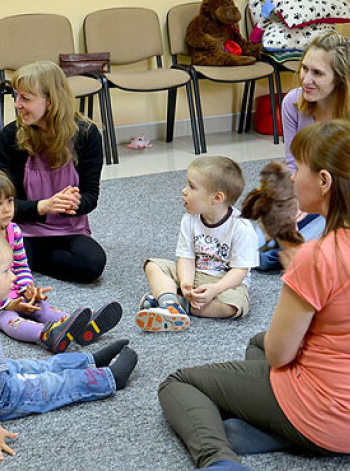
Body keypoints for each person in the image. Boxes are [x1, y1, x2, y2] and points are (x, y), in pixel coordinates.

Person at [158, 121, 350, 470]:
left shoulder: (318, 256)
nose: (292, 178)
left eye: (299, 168)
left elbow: (280, 356)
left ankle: (219, 460)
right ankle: (276, 429)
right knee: (257, 343)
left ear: (324, 181)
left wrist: (298, 272)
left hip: (328, 414)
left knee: (178, 383)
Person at [0, 227, 137, 461]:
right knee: (53, 384)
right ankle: (109, 378)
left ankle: (90, 360)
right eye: (5, 271)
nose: (12, 277)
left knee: (31, 366)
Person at [0, 165, 122, 353]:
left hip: (6, 287)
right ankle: (47, 335)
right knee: (8, 319)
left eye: (10, 201)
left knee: (41, 306)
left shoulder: (13, 231)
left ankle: (79, 326)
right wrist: (7, 304)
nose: (7, 209)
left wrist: (27, 289)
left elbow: (21, 266)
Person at [0, 61, 106, 283]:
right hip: (21, 229)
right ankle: (23, 257)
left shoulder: (87, 134)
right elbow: (1, 204)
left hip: (68, 231)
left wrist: (73, 204)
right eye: (16, 97)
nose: (17, 105)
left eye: (25, 98)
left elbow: (90, 195)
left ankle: (28, 261)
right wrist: (43, 206)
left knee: (93, 264)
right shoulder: (10, 136)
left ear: (51, 102)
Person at [256, 31, 350, 271]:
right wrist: (293, 201)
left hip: (341, 198)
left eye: (318, 73)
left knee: (279, 254)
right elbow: (292, 164)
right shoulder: (293, 104)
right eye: (304, 68)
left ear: (339, 79)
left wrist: (318, 204)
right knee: (253, 241)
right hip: (306, 187)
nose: (306, 79)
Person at [136, 156, 259, 332]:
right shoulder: (189, 219)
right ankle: (171, 304)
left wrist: (215, 289)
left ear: (216, 198)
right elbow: (186, 258)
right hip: (193, 274)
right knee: (153, 265)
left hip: (224, 281)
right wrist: (186, 285)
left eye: (192, 187)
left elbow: (240, 271)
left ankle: (175, 302)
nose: (184, 191)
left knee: (235, 306)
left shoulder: (242, 228)